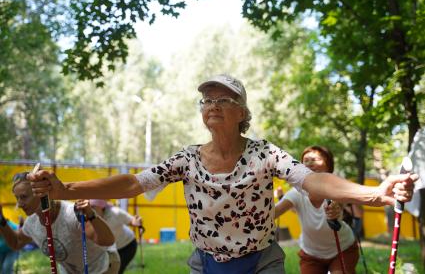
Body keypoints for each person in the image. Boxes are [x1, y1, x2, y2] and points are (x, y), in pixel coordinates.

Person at [29, 74, 417, 274]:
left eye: (223, 99)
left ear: (242, 114)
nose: (212, 105)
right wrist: (65, 190)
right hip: (207, 262)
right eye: (206, 100)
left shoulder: (264, 153)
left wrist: (372, 193)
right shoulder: (187, 158)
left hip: (261, 259)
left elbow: (312, 180)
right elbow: (134, 182)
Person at [0, 172, 120, 274]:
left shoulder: (71, 214)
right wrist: (1, 219)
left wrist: (91, 214)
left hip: (101, 268)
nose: (19, 204)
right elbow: (16, 242)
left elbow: (107, 240)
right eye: (17, 198)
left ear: (40, 193)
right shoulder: (32, 222)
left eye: (24, 197)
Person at [275, 145, 360, 273]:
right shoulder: (296, 193)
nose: (309, 163)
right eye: (306, 160)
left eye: (315, 159)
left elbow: (341, 201)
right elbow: (274, 212)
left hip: (343, 249)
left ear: (328, 165)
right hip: (311, 254)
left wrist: (337, 207)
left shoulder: (336, 187)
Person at [90, 199, 143, 274]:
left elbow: (131, 221)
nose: (90, 210)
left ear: (101, 207)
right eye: (90, 207)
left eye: (93, 207)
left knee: (116, 271)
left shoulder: (115, 212)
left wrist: (136, 221)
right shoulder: (91, 218)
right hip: (112, 249)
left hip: (128, 245)